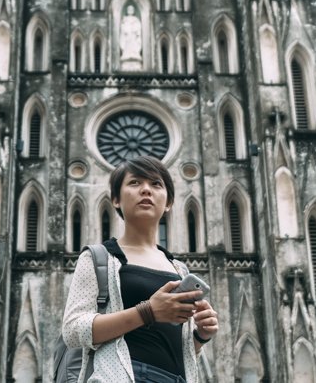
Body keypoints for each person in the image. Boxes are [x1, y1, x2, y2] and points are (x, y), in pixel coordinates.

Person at [62, 155, 218, 383]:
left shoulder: (179, 269)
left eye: (156, 184)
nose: (146, 189)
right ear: (116, 199)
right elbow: (74, 331)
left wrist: (201, 336)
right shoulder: (98, 258)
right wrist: (147, 312)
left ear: (168, 203)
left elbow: (172, 347)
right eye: (135, 182)